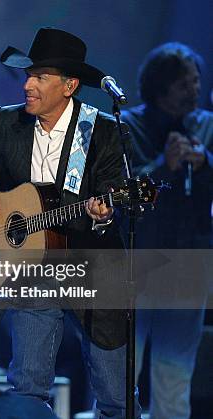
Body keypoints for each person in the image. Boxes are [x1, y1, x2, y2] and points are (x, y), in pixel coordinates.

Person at [0, 28, 140, 418]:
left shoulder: (103, 131)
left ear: (70, 86)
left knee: (117, 400)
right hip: (29, 268)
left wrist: (104, 214)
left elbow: (117, 198)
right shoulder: (6, 124)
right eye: (29, 75)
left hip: (93, 269)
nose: (27, 84)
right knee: (27, 392)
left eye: (40, 77)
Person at [122, 42, 212, 419]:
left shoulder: (207, 125)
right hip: (135, 263)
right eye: (184, 85)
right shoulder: (126, 125)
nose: (195, 90)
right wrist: (163, 166)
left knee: (174, 379)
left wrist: (205, 160)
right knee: (122, 377)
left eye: (197, 82)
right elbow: (118, 193)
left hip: (189, 263)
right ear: (160, 88)